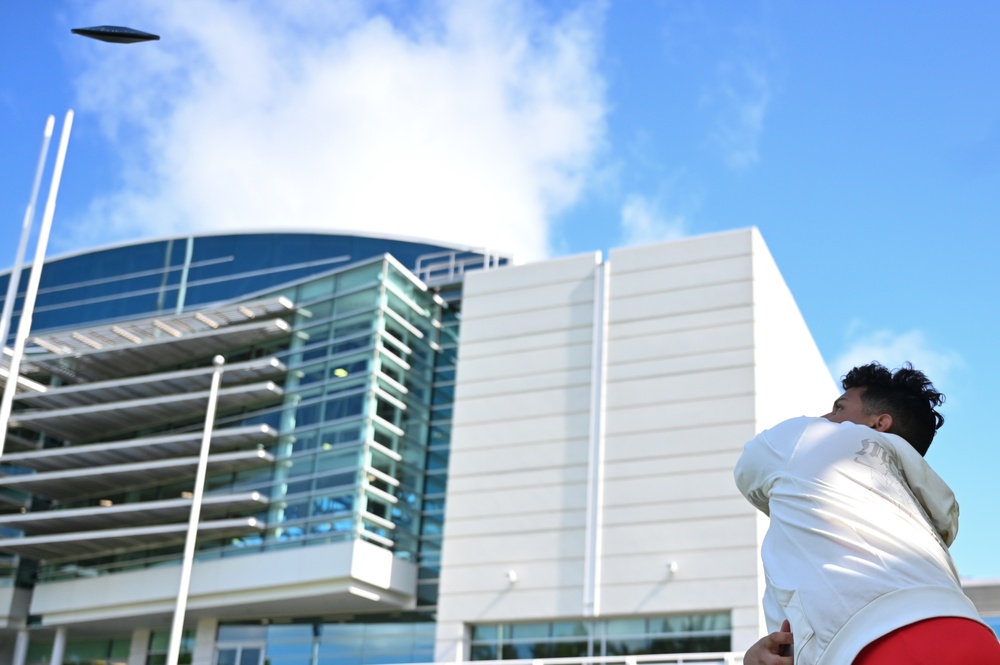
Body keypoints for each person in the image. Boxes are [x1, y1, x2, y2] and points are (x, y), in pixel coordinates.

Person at [734, 362, 1000, 664]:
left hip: (875, 642)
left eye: (839, 408)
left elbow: (748, 471)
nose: (826, 418)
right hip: (972, 634)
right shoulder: (925, 512)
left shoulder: (811, 437)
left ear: (878, 424)